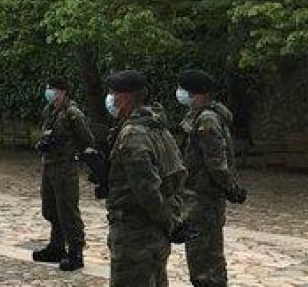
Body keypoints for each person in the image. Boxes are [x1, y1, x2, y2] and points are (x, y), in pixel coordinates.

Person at [104, 70, 189, 287]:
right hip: (154, 234)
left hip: (136, 233)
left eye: (113, 94)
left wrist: (169, 223)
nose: (110, 100)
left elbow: (147, 190)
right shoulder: (158, 127)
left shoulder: (133, 134)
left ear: (124, 98)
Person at [176, 69, 247, 287]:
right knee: (201, 258)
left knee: (206, 260)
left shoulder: (207, 120)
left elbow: (216, 163)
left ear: (198, 93)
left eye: (184, 90)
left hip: (204, 199)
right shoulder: (199, 116)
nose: (180, 94)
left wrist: (233, 189)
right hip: (198, 197)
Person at [32, 77, 95, 271]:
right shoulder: (50, 111)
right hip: (50, 165)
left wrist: (75, 154)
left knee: (68, 210)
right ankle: (56, 246)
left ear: (63, 91)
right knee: (50, 209)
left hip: (65, 167)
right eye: (47, 88)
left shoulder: (72, 113)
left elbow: (87, 139)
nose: (48, 92)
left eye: (52, 89)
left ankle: (76, 251)